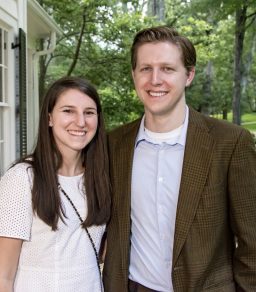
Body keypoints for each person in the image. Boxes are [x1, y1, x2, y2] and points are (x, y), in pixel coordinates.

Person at [103, 25, 256, 291]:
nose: (155, 80)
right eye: (145, 68)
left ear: (189, 75)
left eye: (168, 68)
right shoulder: (113, 144)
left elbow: (252, 241)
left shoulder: (230, 142)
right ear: (134, 75)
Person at [0, 76, 111, 292]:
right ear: (49, 118)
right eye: (68, 111)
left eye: (89, 112)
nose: (80, 122)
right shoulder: (22, 178)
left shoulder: (101, 177)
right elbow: (3, 275)